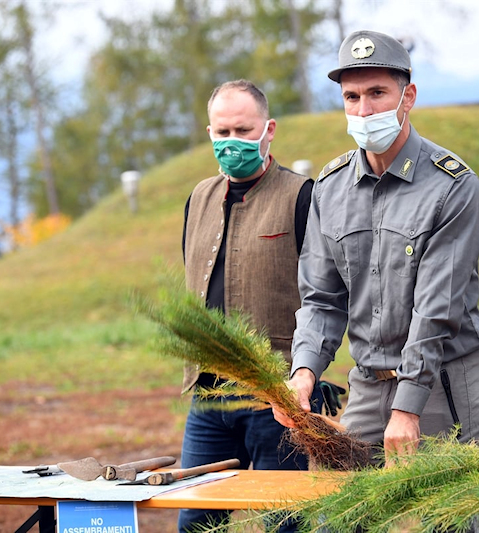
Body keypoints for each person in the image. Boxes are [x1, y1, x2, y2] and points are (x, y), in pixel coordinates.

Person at [273, 30, 479, 464]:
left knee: (449, 520)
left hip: (443, 387)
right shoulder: (330, 188)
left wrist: (408, 406)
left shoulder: (453, 186)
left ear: (407, 96)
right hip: (368, 386)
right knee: (339, 515)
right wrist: (303, 372)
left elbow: (436, 308)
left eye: (378, 93)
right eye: (351, 97)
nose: (364, 109)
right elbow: (321, 297)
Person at [180, 79, 335, 533]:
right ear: (210, 133)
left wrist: (306, 376)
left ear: (268, 129)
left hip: (278, 398)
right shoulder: (198, 199)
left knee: (286, 521)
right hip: (208, 399)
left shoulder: (302, 196)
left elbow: (324, 295)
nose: (232, 143)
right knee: (195, 521)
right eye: (222, 133)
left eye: (243, 131)